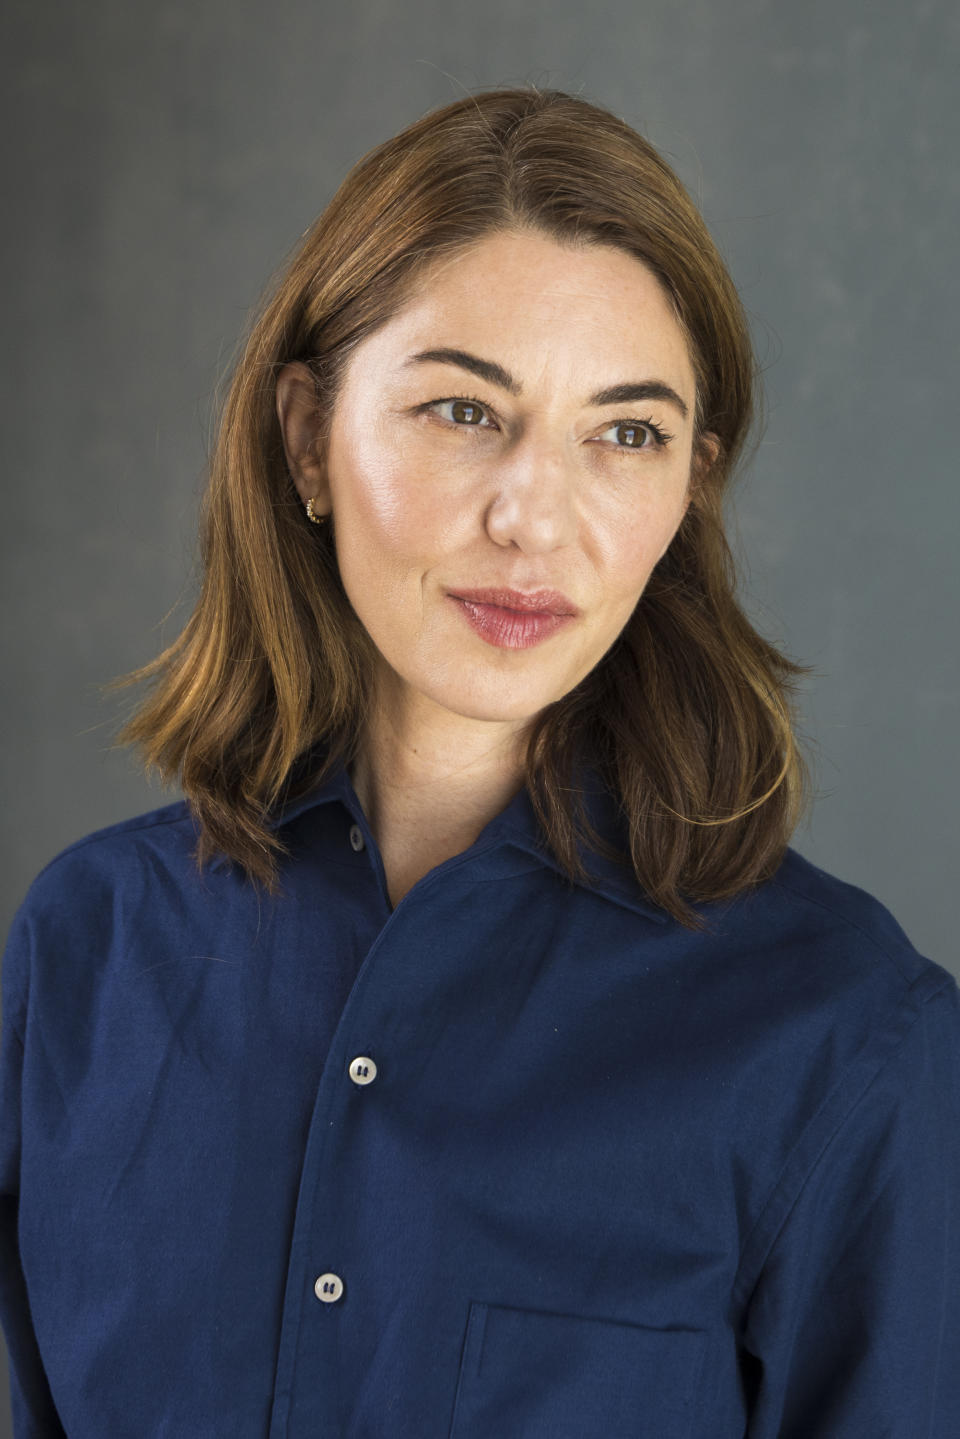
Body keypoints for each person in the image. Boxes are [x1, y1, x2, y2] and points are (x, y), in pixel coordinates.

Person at [0, 85, 957, 1439]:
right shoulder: (84, 958)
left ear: (689, 490)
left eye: (627, 434)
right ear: (305, 440)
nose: (535, 517)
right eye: (463, 412)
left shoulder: (849, 1034)